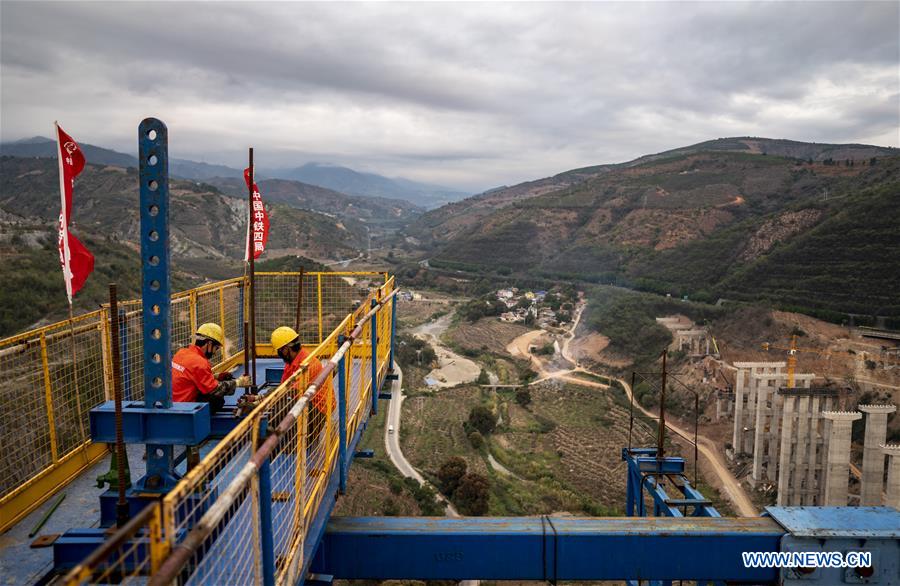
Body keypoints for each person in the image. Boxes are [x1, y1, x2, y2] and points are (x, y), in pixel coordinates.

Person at [271, 326, 335, 449]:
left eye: (279, 351)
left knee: (285, 404)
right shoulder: (292, 362)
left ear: (286, 349)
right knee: (279, 405)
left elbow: (290, 391)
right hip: (309, 402)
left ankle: (298, 445)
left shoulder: (308, 363)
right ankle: (280, 437)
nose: (279, 354)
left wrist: (263, 399)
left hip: (318, 410)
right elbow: (282, 387)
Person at [172, 322, 251, 415]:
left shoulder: (181, 353)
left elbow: (191, 376)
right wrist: (238, 383)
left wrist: (217, 376)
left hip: (172, 403)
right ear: (209, 344)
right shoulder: (199, 362)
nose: (214, 352)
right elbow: (215, 390)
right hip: (185, 408)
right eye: (216, 348)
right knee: (217, 401)